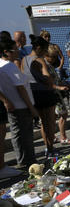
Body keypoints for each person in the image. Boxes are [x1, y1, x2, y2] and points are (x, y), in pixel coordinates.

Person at [21, 36, 70, 158]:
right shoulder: (40, 60)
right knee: (50, 122)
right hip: (45, 93)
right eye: (44, 50)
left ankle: (47, 148)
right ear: (39, 48)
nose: (44, 52)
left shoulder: (24, 60)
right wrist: (51, 80)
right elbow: (47, 77)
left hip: (33, 94)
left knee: (43, 123)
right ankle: (51, 148)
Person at [0, 37, 38, 173]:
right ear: (6, 51)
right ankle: (27, 162)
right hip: (21, 105)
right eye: (15, 49)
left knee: (18, 134)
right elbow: (21, 88)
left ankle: (24, 160)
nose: (17, 51)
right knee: (25, 136)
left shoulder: (2, 65)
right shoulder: (9, 66)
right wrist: (32, 108)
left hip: (14, 105)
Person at [45, 44, 70, 145]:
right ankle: (63, 136)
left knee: (55, 116)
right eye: (52, 57)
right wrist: (60, 87)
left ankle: (55, 136)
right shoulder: (46, 66)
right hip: (55, 94)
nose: (53, 59)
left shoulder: (49, 66)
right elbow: (49, 82)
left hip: (56, 92)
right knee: (63, 114)